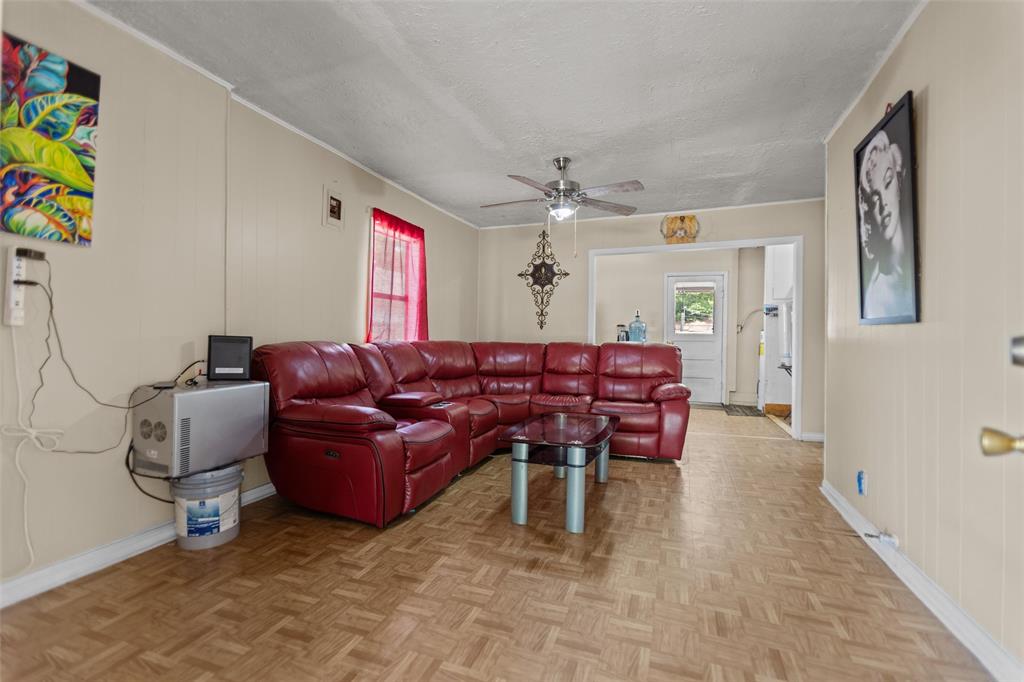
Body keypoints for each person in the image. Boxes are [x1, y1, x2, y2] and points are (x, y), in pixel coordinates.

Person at [858, 129, 913, 319]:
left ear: (899, 179)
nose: (883, 204)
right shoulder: (876, 300)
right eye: (874, 198)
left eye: (888, 182)